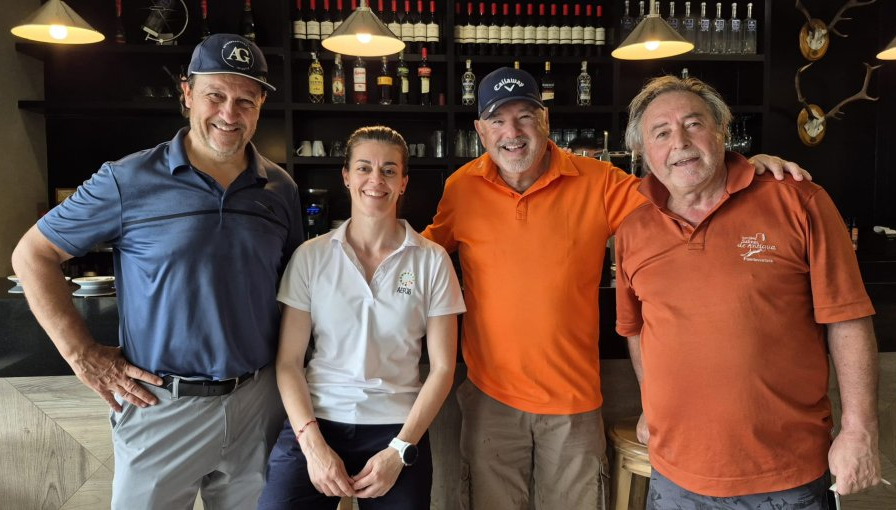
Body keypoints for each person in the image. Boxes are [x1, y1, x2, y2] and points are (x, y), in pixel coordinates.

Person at [421, 67, 811, 510]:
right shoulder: (461, 188)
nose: (513, 133)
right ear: (480, 130)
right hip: (489, 399)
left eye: (525, 116)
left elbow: (683, 194)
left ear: (545, 120)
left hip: (573, 402)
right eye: (498, 120)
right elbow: (421, 256)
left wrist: (745, 169)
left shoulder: (599, 180)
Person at [11, 34, 303, 509]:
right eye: (215, 96)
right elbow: (31, 254)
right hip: (160, 405)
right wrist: (81, 354)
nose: (229, 113)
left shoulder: (280, 188)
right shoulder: (126, 179)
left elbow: (295, 289)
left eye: (245, 101)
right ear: (187, 93)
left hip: (258, 405)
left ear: (260, 106)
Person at [615, 75, 881, 509]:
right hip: (675, 474)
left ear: (722, 130)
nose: (680, 142)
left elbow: (848, 318)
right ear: (643, 152)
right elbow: (637, 328)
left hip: (785, 473)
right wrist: (651, 403)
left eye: (693, 124)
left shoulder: (797, 201)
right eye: (661, 133)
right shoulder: (633, 230)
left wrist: (860, 430)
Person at [258, 126, 465, 510]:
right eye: (364, 168)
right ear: (346, 176)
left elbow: (442, 369)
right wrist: (313, 446)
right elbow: (288, 362)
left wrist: (400, 450)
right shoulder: (311, 256)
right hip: (317, 419)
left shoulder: (432, 260)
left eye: (389, 170)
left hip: (397, 427)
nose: (376, 180)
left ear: (403, 183)